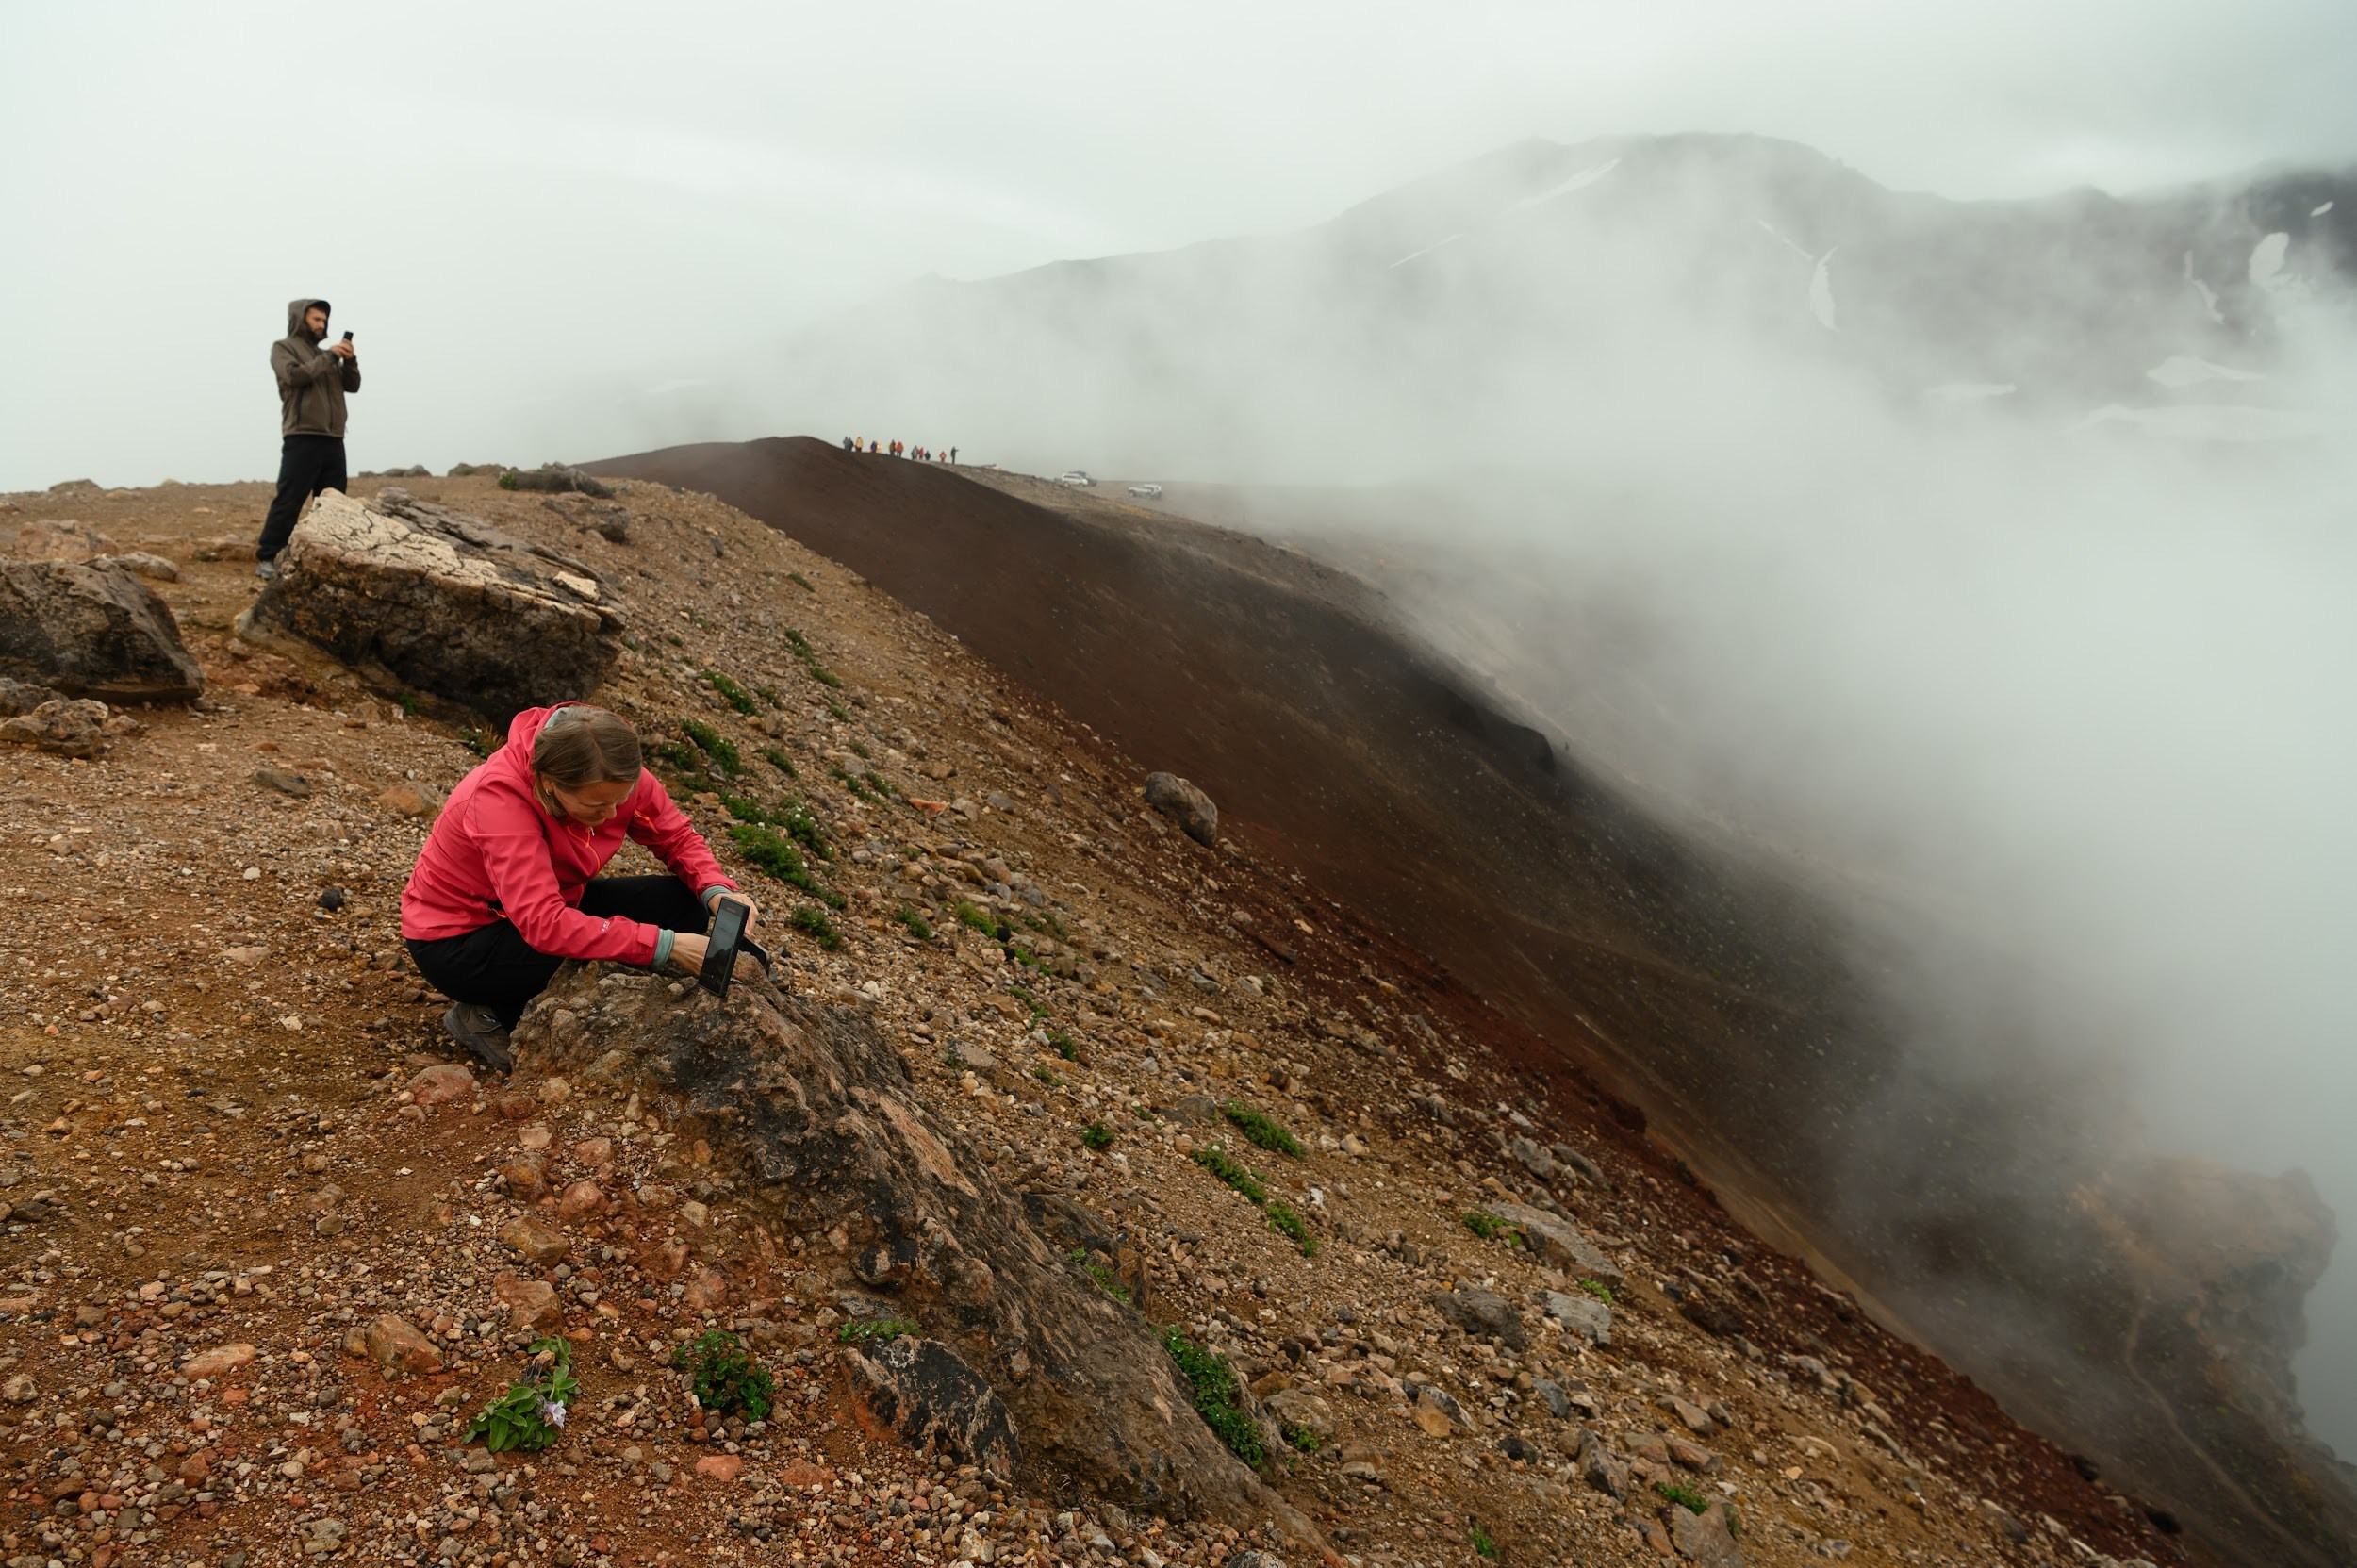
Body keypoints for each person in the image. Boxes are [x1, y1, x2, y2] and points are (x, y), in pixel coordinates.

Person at [401, 703, 761, 1070]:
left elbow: (675, 837)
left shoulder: (612, 766)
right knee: (575, 949)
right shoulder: (498, 801)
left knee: (685, 903)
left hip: (552, 903)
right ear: (548, 782)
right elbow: (544, 924)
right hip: (461, 941)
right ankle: (484, 1013)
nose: (610, 815)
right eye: (596, 805)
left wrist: (716, 888)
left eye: (619, 800)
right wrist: (664, 945)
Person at [255, 298, 360, 578]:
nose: (322, 325)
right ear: (301, 319)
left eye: (324, 321)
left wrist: (349, 360)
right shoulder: (283, 348)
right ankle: (269, 557)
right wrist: (329, 357)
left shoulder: (327, 355)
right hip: (302, 436)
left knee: (333, 502)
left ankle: (330, 558)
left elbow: (353, 386)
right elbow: (294, 376)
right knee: (290, 499)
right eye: (316, 319)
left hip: (333, 438)